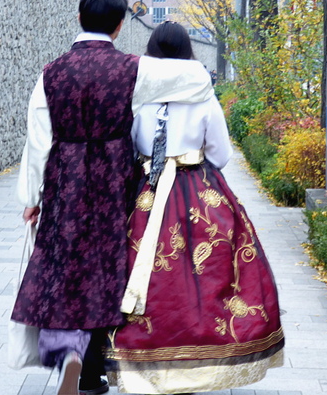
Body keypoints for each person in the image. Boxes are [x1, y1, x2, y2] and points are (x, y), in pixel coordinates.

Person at [11, 0, 214, 395]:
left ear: (78, 19)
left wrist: (31, 199)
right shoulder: (132, 70)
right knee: (110, 268)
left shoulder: (50, 73)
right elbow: (197, 80)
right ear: (120, 26)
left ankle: (69, 352)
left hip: (65, 181)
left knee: (64, 266)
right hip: (113, 181)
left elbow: (37, 142)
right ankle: (96, 364)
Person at [104, 22, 285, 394]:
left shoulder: (139, 93)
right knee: (206, 274)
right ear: (189, 50)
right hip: (198, 192)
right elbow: (221, 153)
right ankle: (201, 354)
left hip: (145, 192)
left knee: (141, 272)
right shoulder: (203, 91)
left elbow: (130, 143)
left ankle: (141, 356)